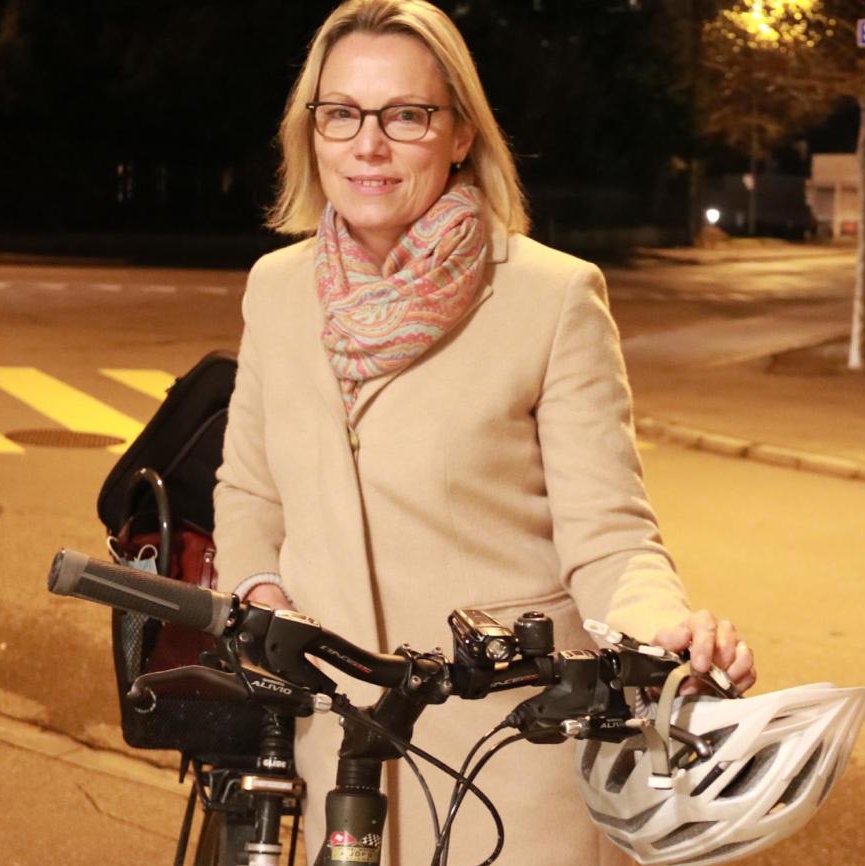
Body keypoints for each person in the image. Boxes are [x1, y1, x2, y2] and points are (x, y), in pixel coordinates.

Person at [212, 2, 756, 863]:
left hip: (507, 760)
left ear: (460, 132)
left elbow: (608, 531)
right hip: (336, 746)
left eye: (407, 115)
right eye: (341, 113)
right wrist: (265, 597)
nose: (369, 144)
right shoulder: (276, 289)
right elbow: (248, 489)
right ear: (311, 130)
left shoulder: (552, 297)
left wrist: (665, 631)